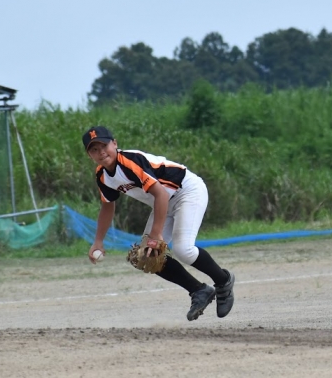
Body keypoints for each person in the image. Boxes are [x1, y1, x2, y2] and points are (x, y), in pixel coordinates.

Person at [82, 125, 234, 321]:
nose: (101, 152)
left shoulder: (130, 161)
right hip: (164, 202)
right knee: (146, 257)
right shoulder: (102, 176)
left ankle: (223, 281)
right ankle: (199, 290)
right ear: (89, 155)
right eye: (94, 149)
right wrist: (98, 241)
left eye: (104, 145)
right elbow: (107, 206)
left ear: (115, 144)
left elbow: (160, 193)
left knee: (183, 250)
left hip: (187, 192)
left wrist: (156, 234)